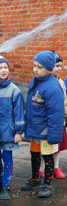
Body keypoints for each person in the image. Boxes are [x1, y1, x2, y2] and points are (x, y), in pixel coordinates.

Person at [21, 50, 65, 198]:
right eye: (34, 66)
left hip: (46, 130)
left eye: (39, 67)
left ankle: (46, 183)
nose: (35, 70)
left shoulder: (53, 88)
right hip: (35, 129)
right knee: (34, 153)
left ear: (48, 68)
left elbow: (56, 114)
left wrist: (54, 135)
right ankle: (34, 178)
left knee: (47, 157)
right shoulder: (35, 80)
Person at [0, 56, 25, 200]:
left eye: (6, 67)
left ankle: (6, 185)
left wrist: (19, 132)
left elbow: (19, 112)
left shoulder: (14, 90)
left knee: (7, 157)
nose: (4, 70)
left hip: (9, 132)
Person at [39, 51, 67, 179]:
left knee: (58, 146)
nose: (59, 68)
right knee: (45, 147)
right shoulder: (42, 82)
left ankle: (56, 167)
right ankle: (42, 168)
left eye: (61, 66)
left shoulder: (61, 81)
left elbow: (64, 100)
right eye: (57, 66)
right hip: (46, 122)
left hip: (59, 121)